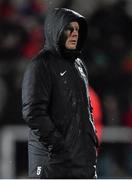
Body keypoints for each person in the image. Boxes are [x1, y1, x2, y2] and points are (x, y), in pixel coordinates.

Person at [22, 8, 98, 178]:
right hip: (52, 165)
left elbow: (85, 110)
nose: (74, 34)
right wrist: (58, 146)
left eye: (77, 29)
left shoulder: (79, 65)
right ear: (56, 29)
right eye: (69, 29)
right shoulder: (41, 65)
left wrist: (90, 144)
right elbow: (33, 112)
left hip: (82, 165)